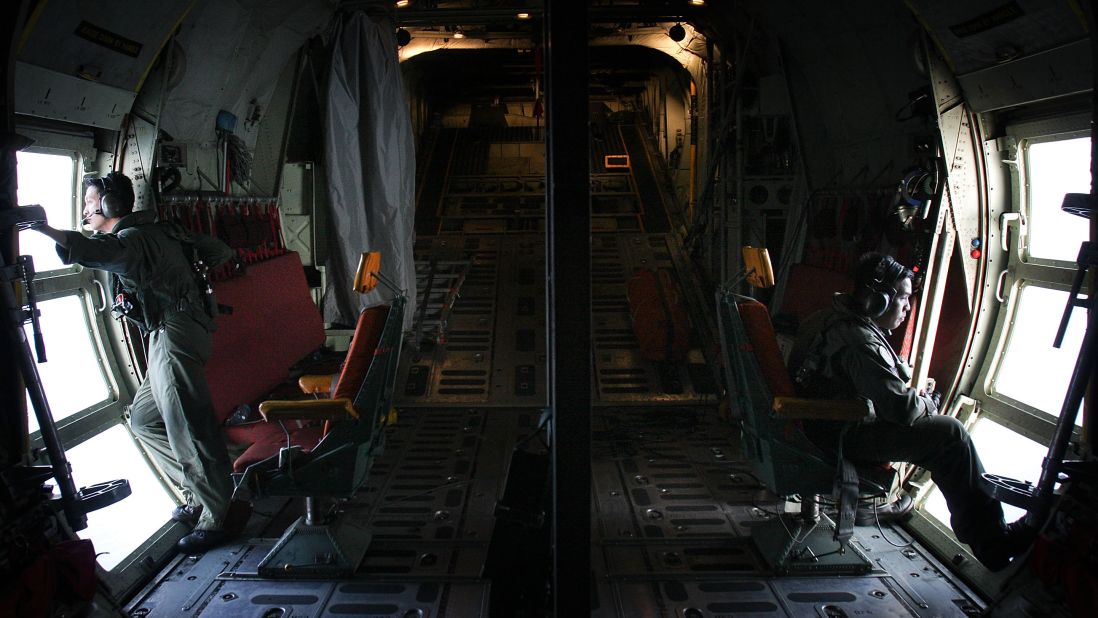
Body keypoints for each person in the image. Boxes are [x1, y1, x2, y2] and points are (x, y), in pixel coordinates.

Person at [32, 171, 245, 554]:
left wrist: (47, 230)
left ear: (110, 205)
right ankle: (202, 494)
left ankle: (219, 514)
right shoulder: (165, 232)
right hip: (178, 330)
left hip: (174, 332)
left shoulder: (131, 239)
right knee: (144, 419)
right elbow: (219, 251)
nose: (85, 209)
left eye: (89, 201)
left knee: (186, 423)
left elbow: (100, 253)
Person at [792, 252, 1034, 571]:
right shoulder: (859, 341)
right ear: (877, 300)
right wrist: (927, 403)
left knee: (942, 433)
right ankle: (993, 543)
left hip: (818, 423)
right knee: (951, 436)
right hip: (838, 435)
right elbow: (902, 408)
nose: (907, 307)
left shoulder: (824, 318)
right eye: (903, 298)